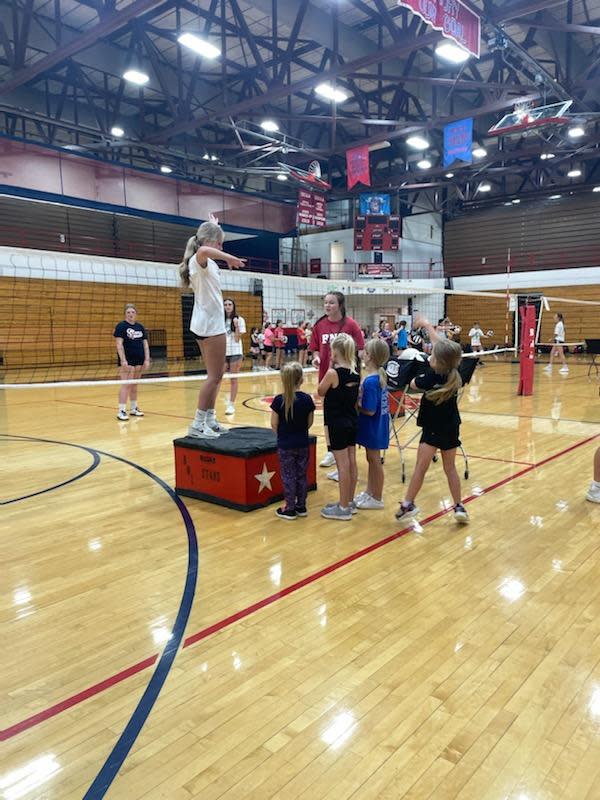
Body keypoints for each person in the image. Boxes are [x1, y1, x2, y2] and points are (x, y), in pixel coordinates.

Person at [395, 314, 469, 524]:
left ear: (437, 361)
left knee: (421, 467)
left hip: (432, 429)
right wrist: (428, 326)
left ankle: (409, 503)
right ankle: (458, 506)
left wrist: (423, 366)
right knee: (450, 468)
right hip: (451, 426)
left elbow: (412, 384)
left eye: (432, 356)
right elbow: (442, 347)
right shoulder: (454, 372)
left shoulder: (429, 377)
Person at [179, 214, 245, 438]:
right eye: (219, 243)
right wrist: (230, 257)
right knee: (215, 377)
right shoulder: (200, 259)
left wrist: (215, 227)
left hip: (205, 323)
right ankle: (197, 424)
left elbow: (207, 247)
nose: (221, 247)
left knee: (215, 375)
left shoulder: (204, 261)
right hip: (210, 326)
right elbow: (205, 250)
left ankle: (209, 418)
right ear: (209, 242)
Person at [309, 291, 365, 469]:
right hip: (327, 377)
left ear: (340, 305)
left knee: (347, 414)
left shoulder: (351, 324)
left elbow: (361, 349)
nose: (327, 306)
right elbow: (315, 348)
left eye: (331, 303)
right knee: (329, 416)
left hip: (347, 377)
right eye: (325, 302)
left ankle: (347, 451)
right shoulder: (319, 325)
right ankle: (330, 450)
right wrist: (316, 358)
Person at [318, 334, 360, 521]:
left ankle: (343, 508)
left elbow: (320, 391)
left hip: (337, 423)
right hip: (351, 421)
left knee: (343, 465)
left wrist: (328, 367)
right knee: (351, 462)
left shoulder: (333, 373)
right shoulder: (355, 373)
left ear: (335, 352)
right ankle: (349, 502)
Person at [270, 362, 315, 520]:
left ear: (283, 380)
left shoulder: (278, 400)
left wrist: (283, 434)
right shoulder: (307, 399)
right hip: (302, 443)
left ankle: (289, 508)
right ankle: (301, 505)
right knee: (302, 474)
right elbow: (310, 422)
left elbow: (274, 424)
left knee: (288, 476)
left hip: (285, 445)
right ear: (301, 380)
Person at [354, 338, 390, 509]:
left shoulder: (370, 381)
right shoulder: (377, 378)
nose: (362, 354)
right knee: (371, 459)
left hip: (373, 427)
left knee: (375, 461)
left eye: (365, 352)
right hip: (379, 426)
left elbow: (369, 410)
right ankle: (370, 492)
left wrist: (354, 403)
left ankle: (377, 497)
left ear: (370, 357)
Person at [114, 303, 150, 421]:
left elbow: (145, 345)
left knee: (134, 385)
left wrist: (147, 359)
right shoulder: (121, 326)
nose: (130, 314)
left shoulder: (140, 327)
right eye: (128, 312)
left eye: (133, 312)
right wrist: (123, 359)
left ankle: (134, 408)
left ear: (136, 314)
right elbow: (119, 344)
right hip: (127, 360)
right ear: (125, 314)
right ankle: (121, 410)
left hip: (139, 359)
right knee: (126, 385)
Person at [223, 297, 246, 415]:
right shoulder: (219, 320)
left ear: (233, 306)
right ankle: (211, 409)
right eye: (225, 304)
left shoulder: (239, 319)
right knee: (216, 379)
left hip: (235, 352)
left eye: (229, 304)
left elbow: (237, 339)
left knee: (233, 379)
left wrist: (236, 325)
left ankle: (231, 405)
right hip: (222, 352)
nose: (227, 306)